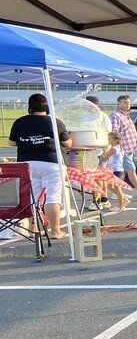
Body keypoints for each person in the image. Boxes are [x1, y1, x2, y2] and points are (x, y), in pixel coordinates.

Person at [7, 93, 72, 238]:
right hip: (51, 162)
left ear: (30, 107)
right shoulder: (55, 122)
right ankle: (55, 231)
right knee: (53, 197)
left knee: (33, 197)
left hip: (27, 163)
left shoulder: (20, 122)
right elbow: (68, 143)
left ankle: (34, 229)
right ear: (46, 106)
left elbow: (11, 143)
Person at [109, 95, 137, 200]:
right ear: (118, 103)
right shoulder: (115, 116)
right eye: (125, 102)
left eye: (129, 102)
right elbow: (114, 133)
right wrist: (118, 148)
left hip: (129, 148)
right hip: (122, 149)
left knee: (123, 171)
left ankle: (117, 192)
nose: (127, 104)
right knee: (131, 169)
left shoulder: (126, 115)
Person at [83, 95, 112, 210]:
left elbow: (107, 134)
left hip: (100, 150)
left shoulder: (102, 117)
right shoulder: (86, 116)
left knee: (97, 178)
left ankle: (97, 201)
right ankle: (104, 199)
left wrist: (106, 151)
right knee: (100, 177)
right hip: (90, 149)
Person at [99, 131, 129, 211]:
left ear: (115, 140)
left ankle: (121, 205)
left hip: (116, 170)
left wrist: (104, 149)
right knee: (111, 186)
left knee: (116, 188)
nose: (108, 141)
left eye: (109, 139)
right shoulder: (120, 148)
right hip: (118, 170)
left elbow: (105, 157)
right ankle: (123, 199)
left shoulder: (113, 148)